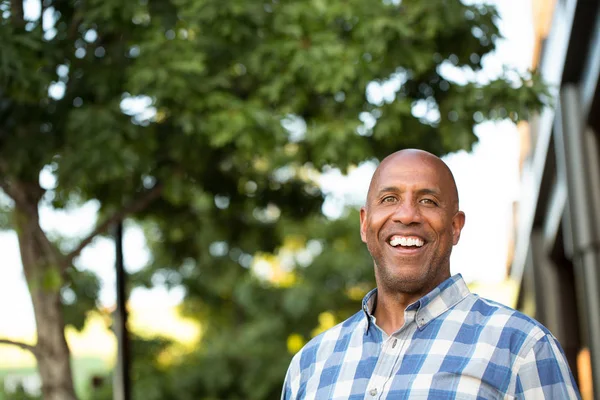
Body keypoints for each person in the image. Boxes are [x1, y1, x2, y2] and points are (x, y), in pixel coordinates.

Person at [281, 149, 580, 399]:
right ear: (364, 223)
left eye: (428, 201)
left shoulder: (522, 347)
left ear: (455, 226)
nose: (408, 215)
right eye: (389, 199)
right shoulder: (310, 365)